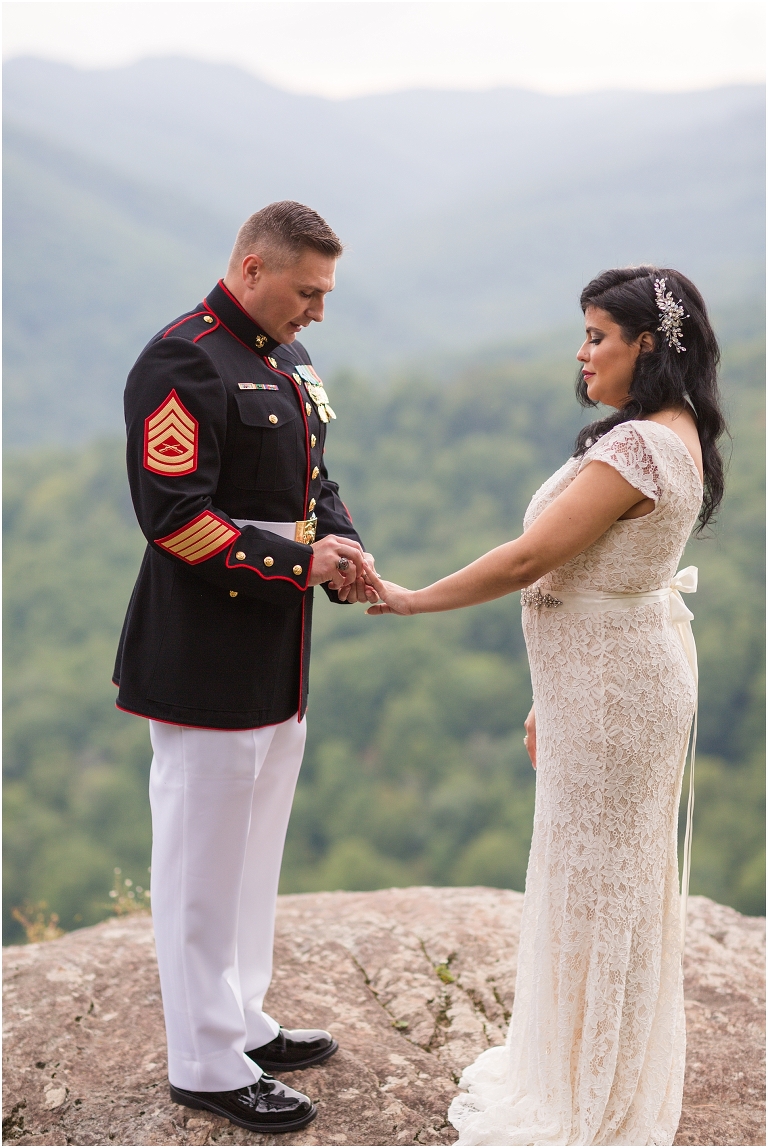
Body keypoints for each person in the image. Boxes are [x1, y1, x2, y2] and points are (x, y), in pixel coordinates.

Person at [364, 266, 725, 1145]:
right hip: (607, 681)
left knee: (598, 879)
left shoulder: (638, 449)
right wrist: (548, 694)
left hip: (613, 690)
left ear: (649, 344)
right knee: (609, 876)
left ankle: (587, 1087)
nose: (583, 351)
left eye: (598, 335)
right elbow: (602, 577)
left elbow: (532, 561)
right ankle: (593, 1061)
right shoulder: (668, 433)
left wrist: (411, 599)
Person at [113, 201, 377, 1135]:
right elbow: (174, 516)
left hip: (276, 656)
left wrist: (343, 545)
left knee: (253, 856)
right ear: (254, 268)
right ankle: (204, 1063)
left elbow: (314, 481)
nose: (317, 311)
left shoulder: (285, 359)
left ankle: (242, 1018)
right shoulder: (182, 359)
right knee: (198, 867)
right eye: (307, 291)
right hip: (203, 659)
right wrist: (300, 565)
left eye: (324, 294)